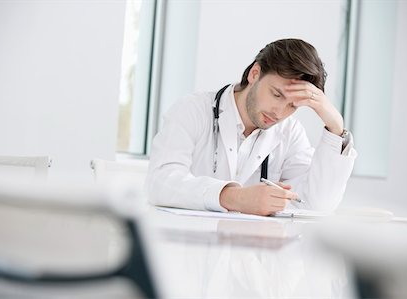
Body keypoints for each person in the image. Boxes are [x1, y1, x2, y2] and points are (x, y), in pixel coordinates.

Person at [146, 38, 357, 216]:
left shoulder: (289, 133)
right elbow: (160, 183)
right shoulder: (193, 110)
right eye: (276, 94)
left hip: (247, 256)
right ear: (255, 74)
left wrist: (336, 126)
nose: (279, 112)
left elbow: (315, 206)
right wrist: (234, 198)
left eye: (293, 105)